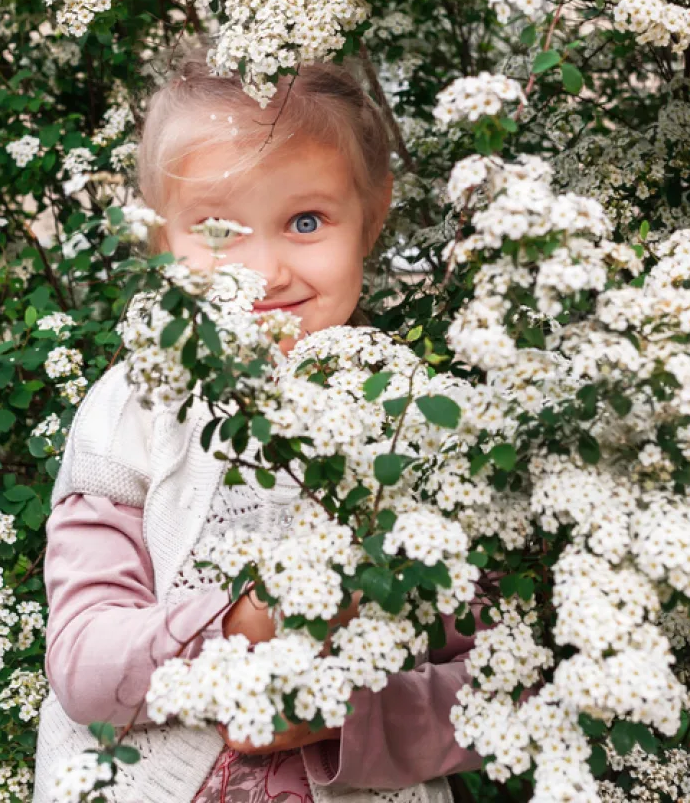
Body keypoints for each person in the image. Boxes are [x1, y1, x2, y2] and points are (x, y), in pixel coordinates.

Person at [31, 43, 482, 803]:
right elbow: (81, 662)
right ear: (162, 245)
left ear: (370, 220)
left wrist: (342, 716)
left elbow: (499, 686)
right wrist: (241, 625)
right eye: (217, 231)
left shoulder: (420, 426)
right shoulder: (134, 409)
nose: (266, 271)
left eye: (306, 220)